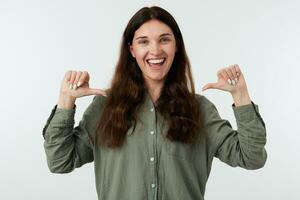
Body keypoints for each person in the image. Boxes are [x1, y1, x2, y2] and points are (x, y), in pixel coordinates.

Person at [42, 6, 267, 200]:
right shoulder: (104, 107)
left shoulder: (200, 110)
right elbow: (60, 161)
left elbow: (251, 157)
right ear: (132, 50)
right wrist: (66, 101)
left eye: (164, 40)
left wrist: (240, 95)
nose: (155, 50)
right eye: (143, 41)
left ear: (176, 46)